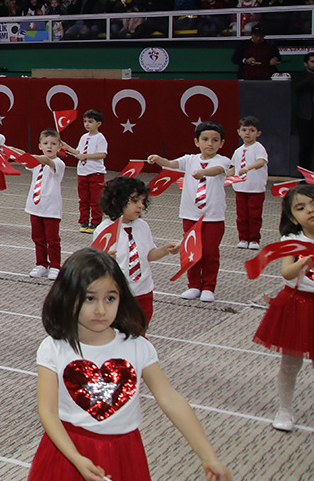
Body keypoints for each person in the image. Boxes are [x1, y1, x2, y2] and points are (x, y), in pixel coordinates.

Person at [19, 249, 232, 481]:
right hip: (70, 453)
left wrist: (208, 455)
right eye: (90, 298)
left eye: (110, 298)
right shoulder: (54, 347)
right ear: (68, 297)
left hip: (120, 455)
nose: (101, 309)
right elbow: (48, 412)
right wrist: (76, 458)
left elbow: (171, 399)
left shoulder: (136, 346)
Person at [253, 183, 314, 431]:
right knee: (290, 364)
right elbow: (286, 273)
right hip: (297, 305)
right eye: (301, 208)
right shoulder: (292, 240)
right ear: (292, 217)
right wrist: (305, 261)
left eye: (313, 204)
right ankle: (285, 410)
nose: (309, 210)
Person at [148, 122, 230, 303]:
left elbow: (217, 171)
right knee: (191, 250)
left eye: (215, 140)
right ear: (196, 141)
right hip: (190, 215)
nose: (210, 143)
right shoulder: (189, 159)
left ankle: (208, 286)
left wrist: (203, 172)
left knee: (210, 252)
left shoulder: (222, 161)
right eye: (205, 139)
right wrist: (158, 159)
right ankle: (193, 285)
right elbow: (171, 164)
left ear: (221, 143)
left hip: (213, 216)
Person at [99, 175, 179, 326]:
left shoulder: (142, 226)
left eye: (142, 201)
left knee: (141, 329)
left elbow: (149, 254)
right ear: (118, 201)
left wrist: (165, 249)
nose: (141, 206)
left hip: (144, 290)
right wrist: (105, 259)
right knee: (120, 332)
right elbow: (96, 265)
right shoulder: (105, 230)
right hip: (120, 293)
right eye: (135, 201)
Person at [24, 130, 67, 279]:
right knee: (38, 238)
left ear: (60, 146)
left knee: (52, 239)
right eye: (46, 143)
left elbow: (47, 161)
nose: (49, 146)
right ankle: (41, 264)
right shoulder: (36, 164)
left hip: (51, 209)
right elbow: (23, 157)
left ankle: (55, 266)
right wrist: (7, 149)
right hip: (35, 207)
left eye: (54, 144)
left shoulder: (58, 163)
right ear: (40, 145)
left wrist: (32, 157)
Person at [64, 109, 108, 233]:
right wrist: (67, 147)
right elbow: (79, 152)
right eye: (85, 121)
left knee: (95, 200)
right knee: (83, 199)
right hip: (82, 172)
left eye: (90, 121)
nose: (87, 124)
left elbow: (102, 154)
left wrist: (85, 156)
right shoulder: (84, 137)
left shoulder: (100, 138)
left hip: (96, 172)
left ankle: (96, 222)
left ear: (98, 124)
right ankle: (83, 221)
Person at [230, 115, 270, 249]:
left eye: (252, 130)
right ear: (239, 132)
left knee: (254, 216)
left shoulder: (259, 148)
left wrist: (247, 168)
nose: (247, 133)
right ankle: (243, 238)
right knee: (241, 216)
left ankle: (254, 239)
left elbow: (260, 162)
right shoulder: (238, 151)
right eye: (244, 129)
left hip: (255, 189)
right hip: (240, 188)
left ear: (258, 133)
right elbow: (234, 169)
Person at [293, 53, 314, 172]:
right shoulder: (300, 76)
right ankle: (304, 175)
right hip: (305, 117)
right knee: (305, 147)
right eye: (312, 62)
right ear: (306, 64)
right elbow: (296, 87)